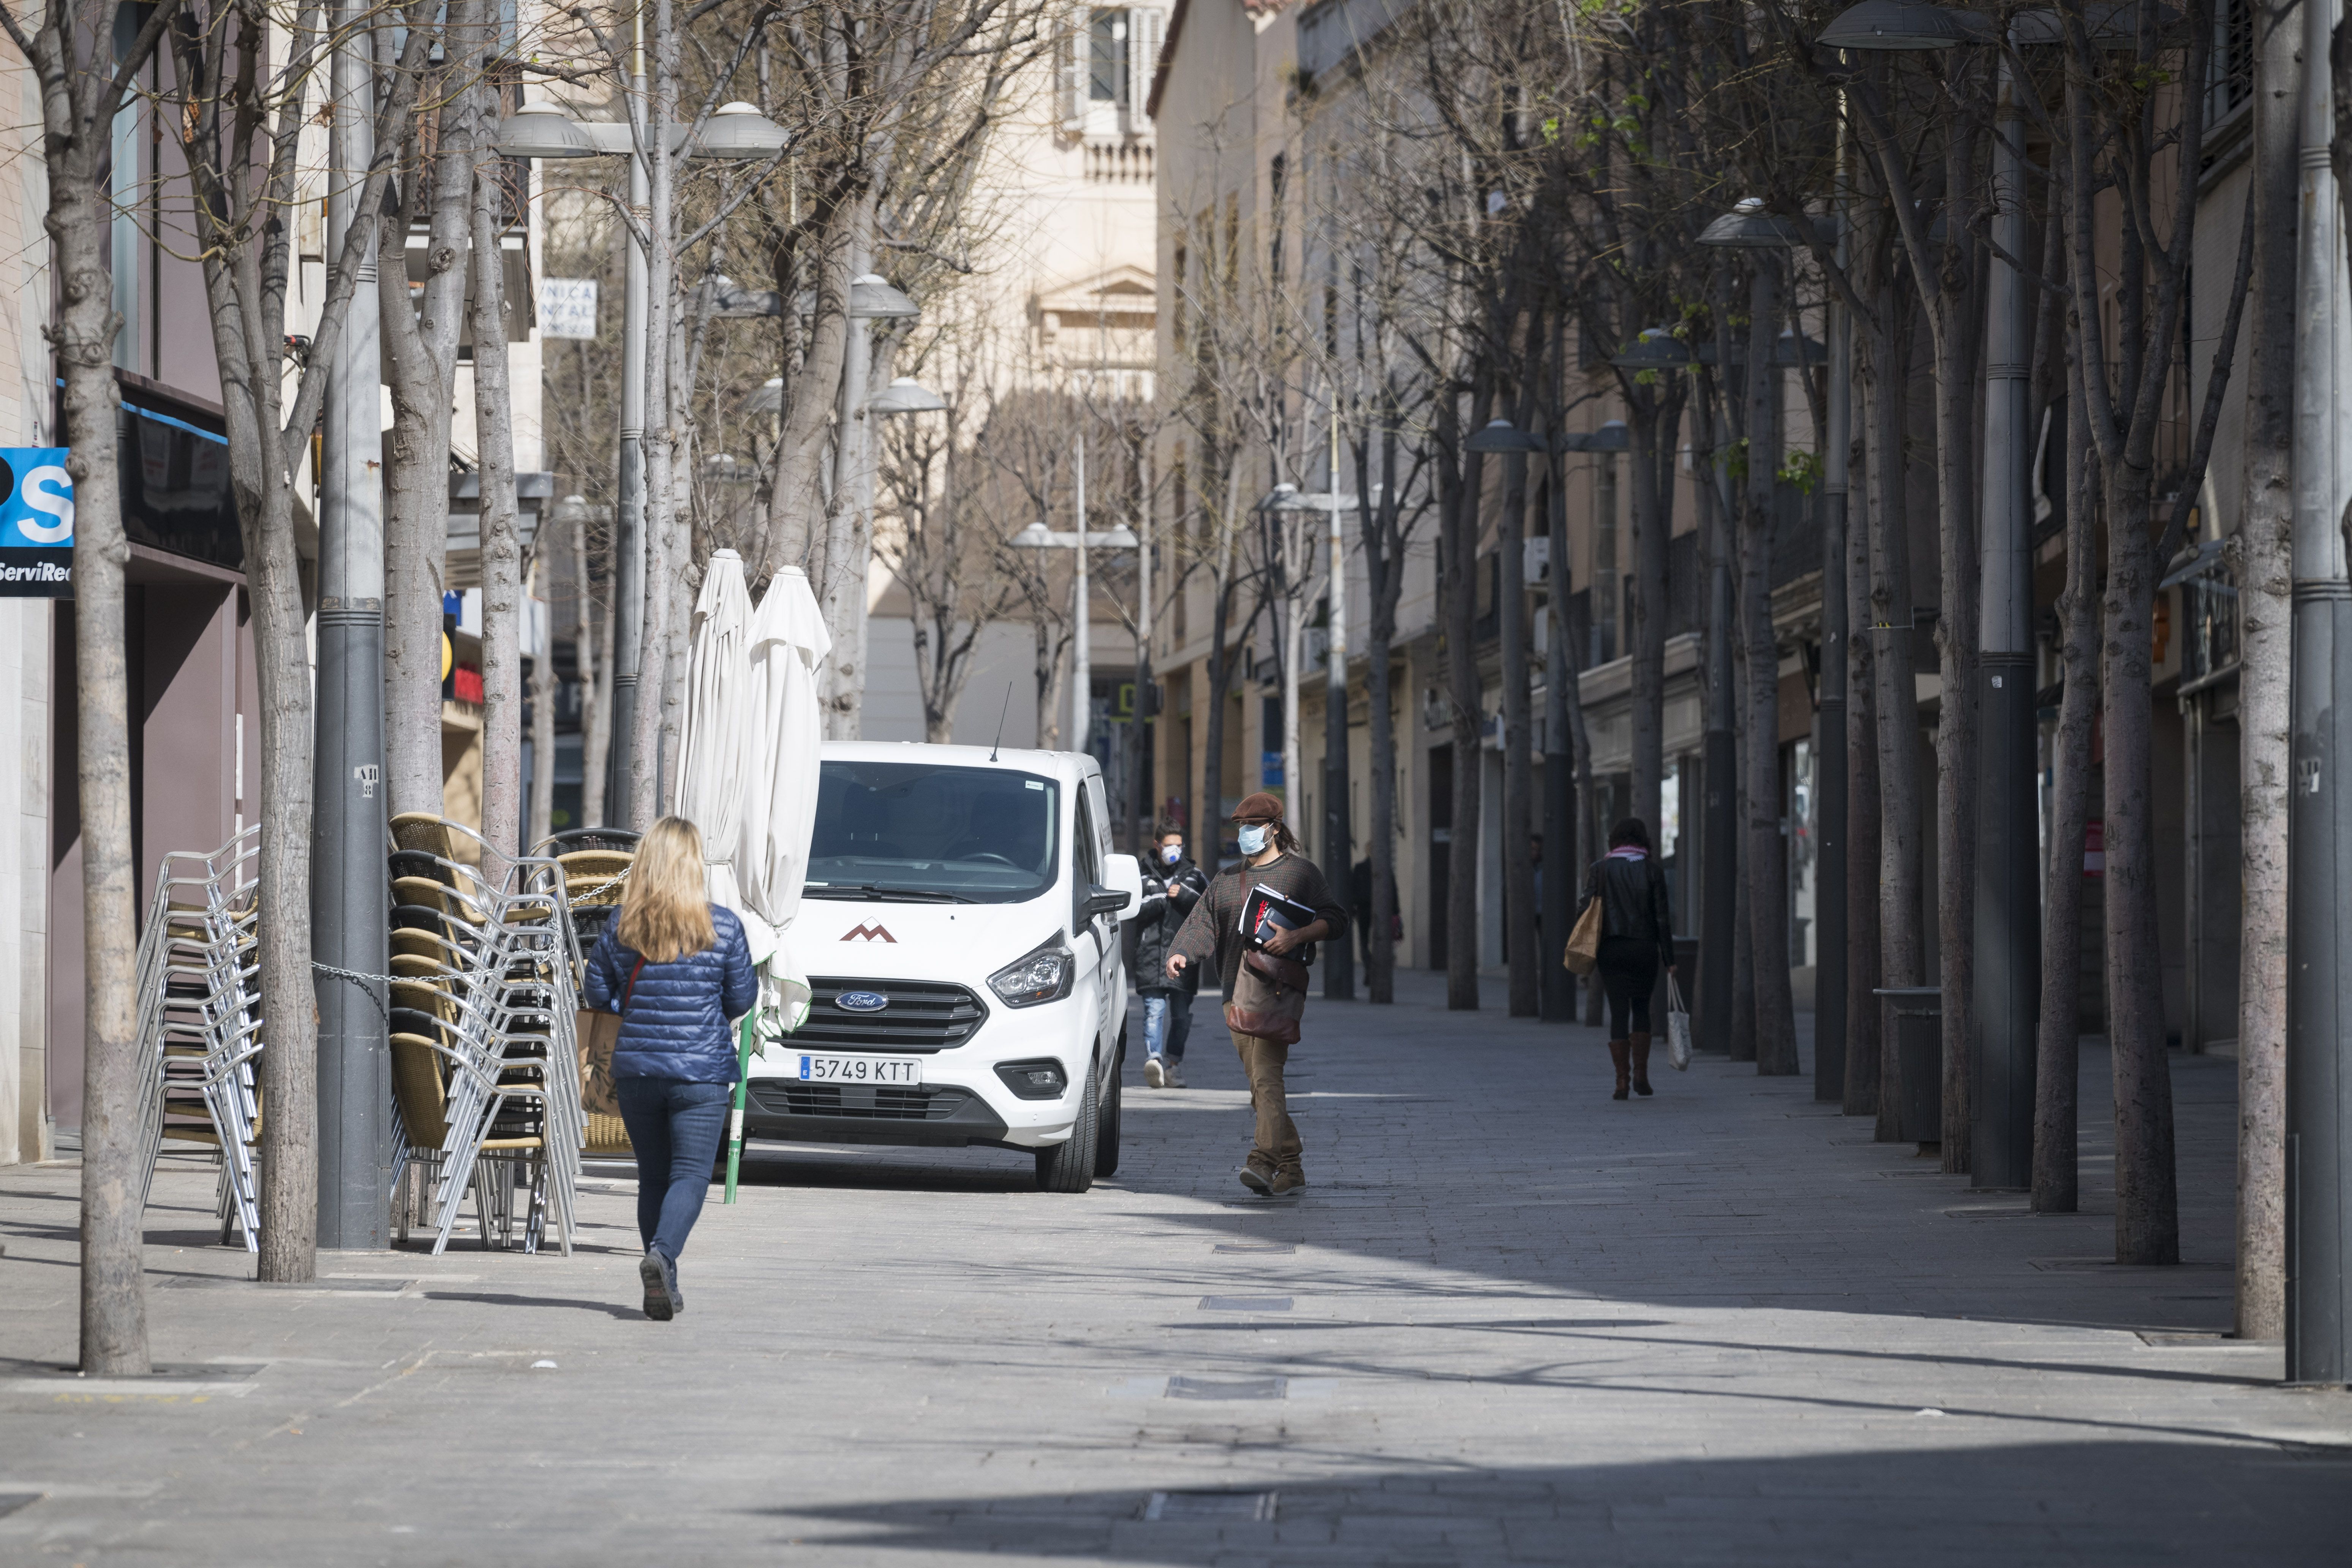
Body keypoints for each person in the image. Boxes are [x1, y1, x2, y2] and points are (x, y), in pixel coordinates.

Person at [583, 815, 757, 1320]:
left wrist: (632, 1006)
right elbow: (741, 998)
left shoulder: (622, 924)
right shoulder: (722, 925)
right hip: (701, 1073)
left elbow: (597, 994)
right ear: (693, 863)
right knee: (691, 1176)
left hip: (636, 1070)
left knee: (654, 1177)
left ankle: (664, 1282)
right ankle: (661, 1257)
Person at [1167, 792, 1348, 1195]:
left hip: (1276, 994)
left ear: (1275, 829)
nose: (1246, 834)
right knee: (1259, 1086)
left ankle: (1263, 1162)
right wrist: (1181, 952)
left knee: (1267, 1080)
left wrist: (1298, 935)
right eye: (1241, 828)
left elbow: (1336, 918)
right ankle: (1293, 1166)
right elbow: (1203, 923)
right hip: (1234, 997)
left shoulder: (1302, 874)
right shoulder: (1228, 880)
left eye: (1253, 827)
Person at [1581, 817, 1675, 1100]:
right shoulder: (1652, 871)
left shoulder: (1599, 870)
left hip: (1611, 949)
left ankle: (1621, 1082)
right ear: (1643, 841)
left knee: (1619, 1011)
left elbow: (1584, 911)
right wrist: (1669, 958)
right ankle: (1641, 1076)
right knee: (1642, 1008)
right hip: (1644, 949)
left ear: (1615, 841)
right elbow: (1662, 919)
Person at [1132, 820, 1207, 1088]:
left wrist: (1184, 895)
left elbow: (1208, 906)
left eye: (1178, 845)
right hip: (1151, 955)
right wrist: (1162, 898)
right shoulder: (1140, 873)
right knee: (1154, 1010)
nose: (1174, 850)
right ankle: (1155, 1061)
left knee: (1181, 1016)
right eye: (1169, 846)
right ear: (1157, 845)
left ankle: (1174, 1066)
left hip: (1184, 956)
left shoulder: (1193, 875)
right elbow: (1131, 908)